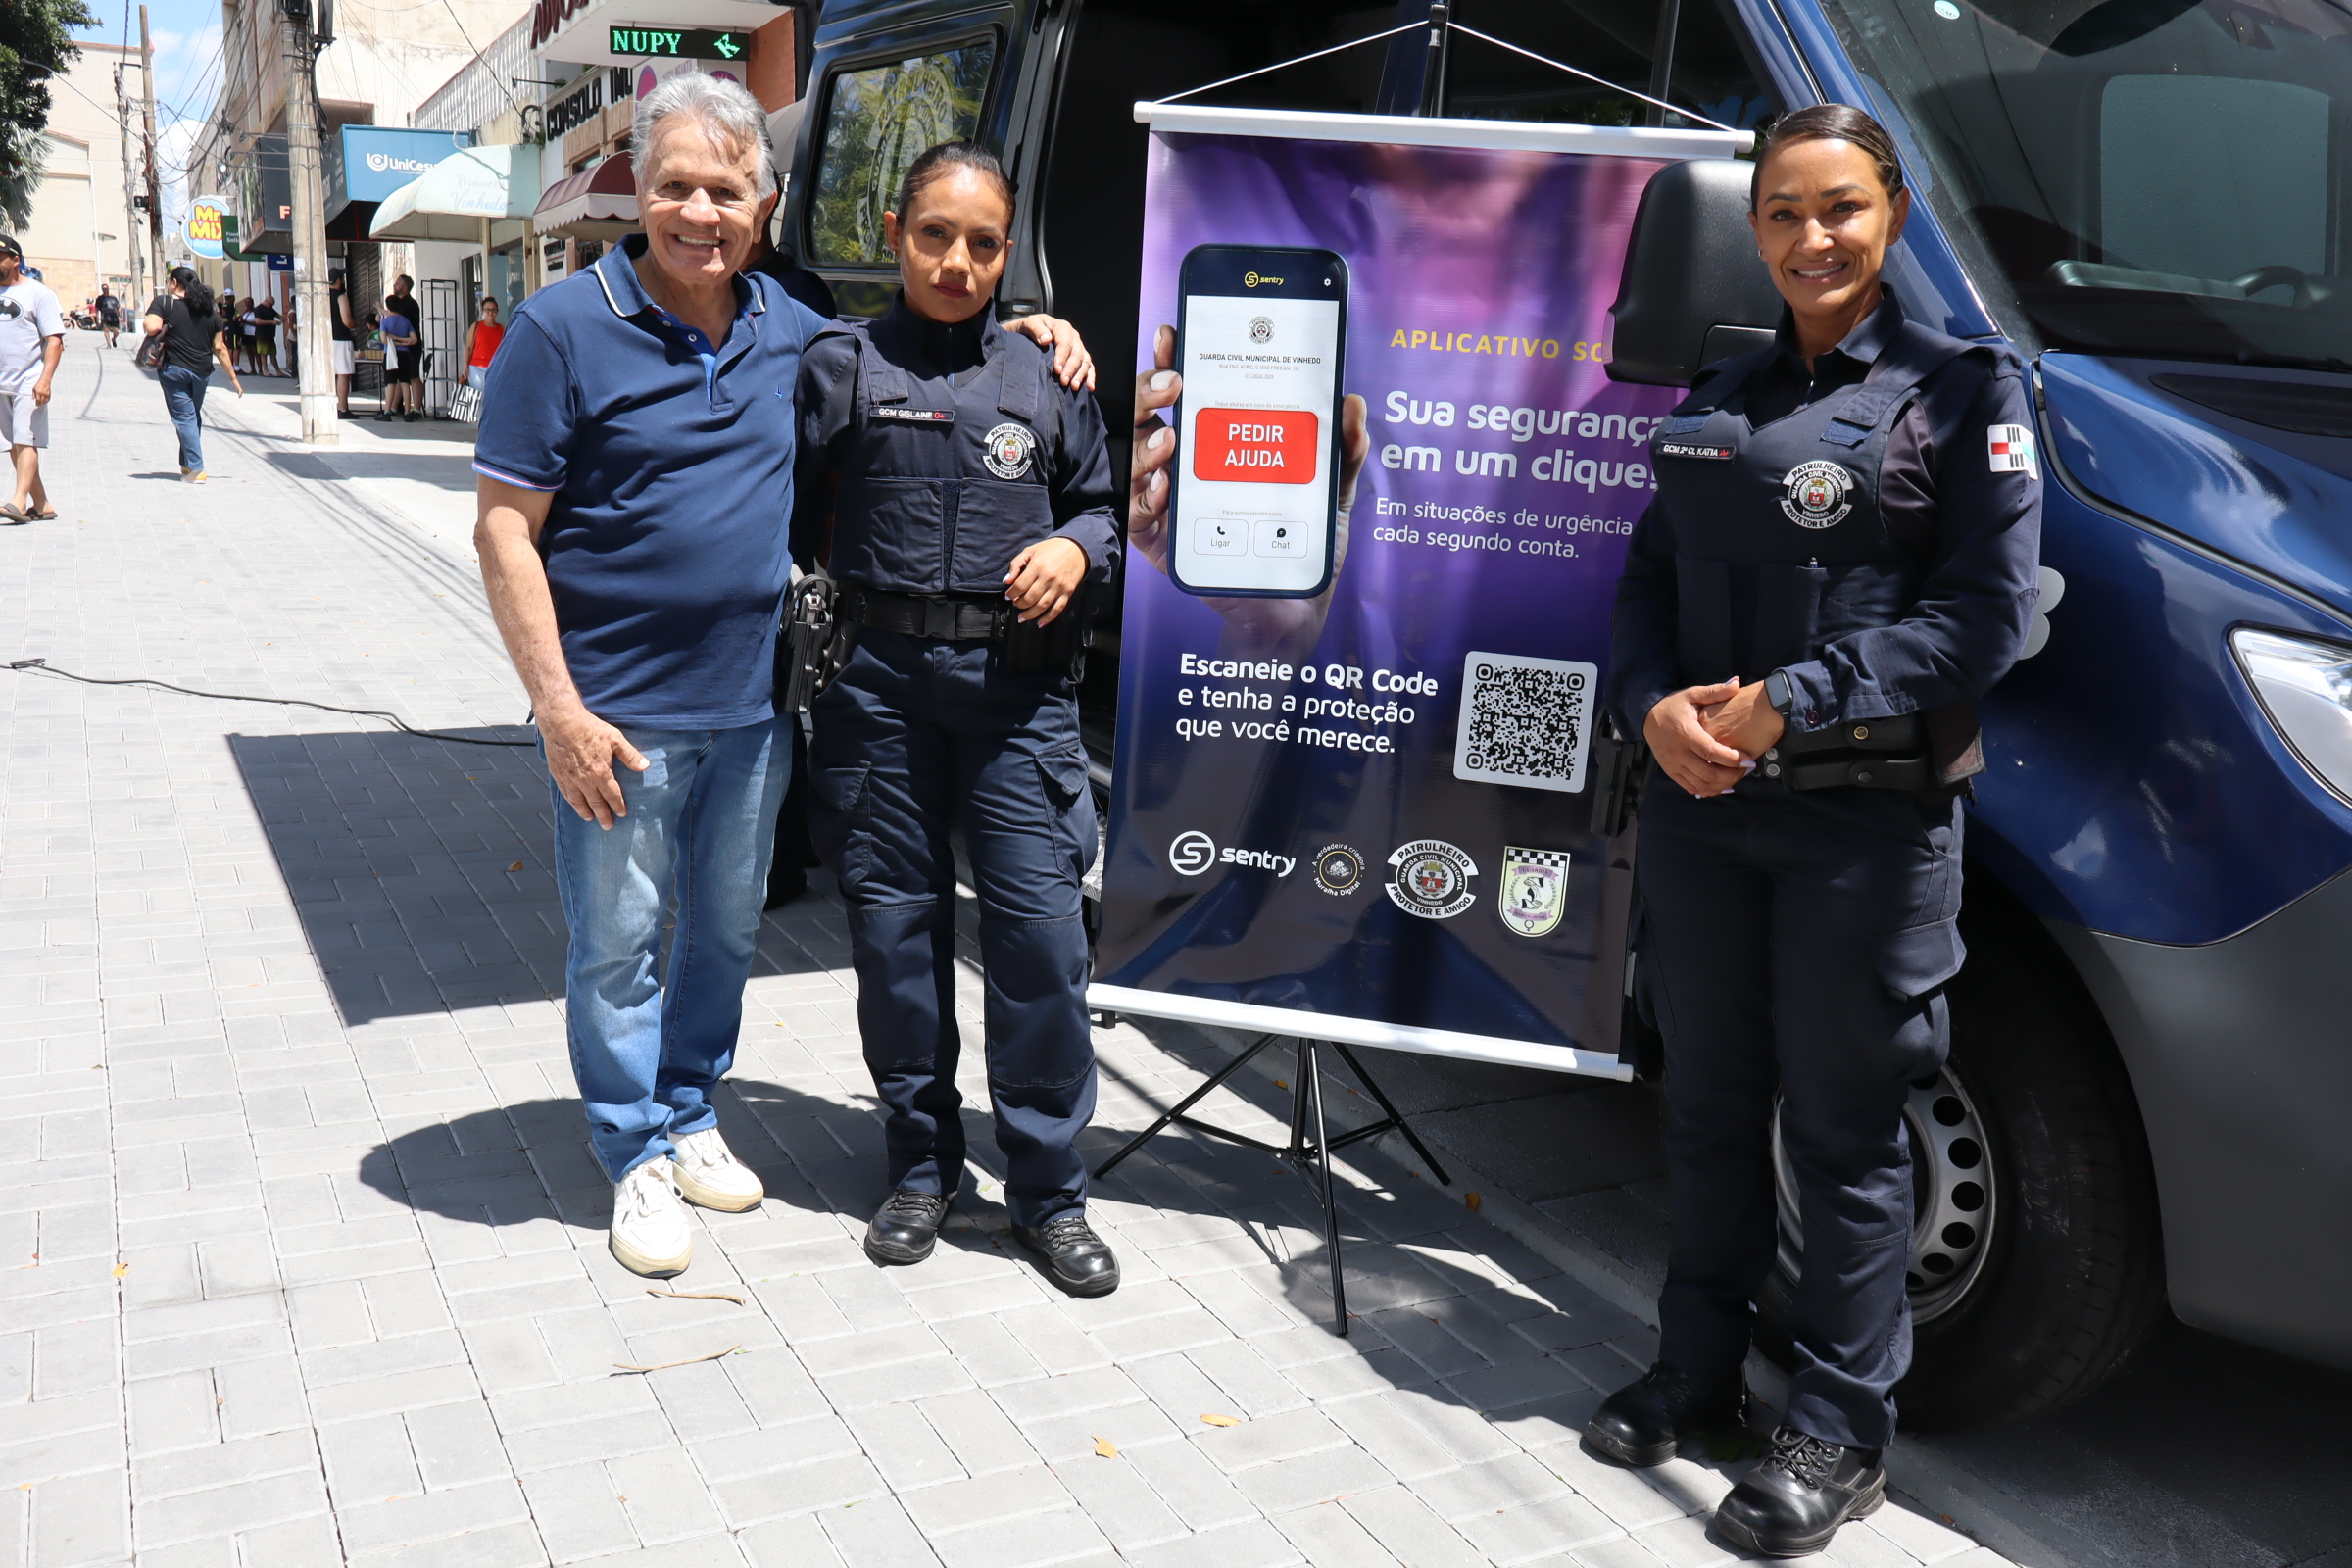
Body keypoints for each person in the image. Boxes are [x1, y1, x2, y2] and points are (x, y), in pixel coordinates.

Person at [472, 74, 1097, 1281]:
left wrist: (1037, 328)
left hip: (758, 704)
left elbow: (934, 341)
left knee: (718, 939)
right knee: (620, 941)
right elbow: (506, 526)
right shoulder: (562, 329)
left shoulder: (797, 331)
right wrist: (557, 710)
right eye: (675, 188)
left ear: (765, 203)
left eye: (725, 190)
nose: (700, 212)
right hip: (615, 709)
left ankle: (691, 1111)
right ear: (636, 195)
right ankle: (630, 1150)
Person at [1589, 105, 2041, 1558]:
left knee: (1845, 1138)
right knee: (1710, 1107)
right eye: (1782, 213)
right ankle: (1698, 1370)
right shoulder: (1719, 390)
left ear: (1893, 212)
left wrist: (1797, 701)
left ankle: (1839, 1437)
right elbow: (1646, 583)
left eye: (1838, 208)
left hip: (1866, 825)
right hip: (1709, 816)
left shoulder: (1962, 391)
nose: (1809, 239)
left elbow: (1990, 616)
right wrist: (1653, 706)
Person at [794, 142, 1122, 1296]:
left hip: (1018, 701)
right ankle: (923, 1168)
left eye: (983, 242)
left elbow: (1105, 507)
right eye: (936, 233)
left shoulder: (1047, 374)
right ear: (895, 232)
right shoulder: (838, 364)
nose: (957, 260)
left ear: (1006, 250)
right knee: (895, 940)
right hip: (878, 693)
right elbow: (783, 514)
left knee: (1039, 945)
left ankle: (1048, 1188)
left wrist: (1074, 550)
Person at [141, 265, 246, 484]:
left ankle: (197, 469)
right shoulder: (210, 311)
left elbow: (151, 327)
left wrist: (151, 318)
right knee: (191, 417)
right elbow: (220, 348)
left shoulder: (165, 303)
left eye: (169, 281)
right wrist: (232, 379)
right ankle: (187, 464)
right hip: (202, 373)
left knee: (185, 418)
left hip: (174, 371)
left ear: (175, 283)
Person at [0, 235, 66, 523]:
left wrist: (45, 380)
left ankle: (18, 501)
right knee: (14, 444)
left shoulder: (39, 294)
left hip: (29, 379)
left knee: (26, 439)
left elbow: (54, 341)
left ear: (15, 260)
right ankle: (42, 503)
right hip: (1, 382)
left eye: (1, 256)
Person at [378, 276, 421, 421]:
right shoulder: (402, 313)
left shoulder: (409, 304)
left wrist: (380, 310)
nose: (394, 285)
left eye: (397, 283)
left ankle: (414, 409)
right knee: (404, 381)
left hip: (408, 349)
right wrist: (402, 342)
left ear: (404, 287)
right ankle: (400, 408)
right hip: (405, 348)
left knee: (411, 377)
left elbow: (394, 318)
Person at [328, 270, 357, 417]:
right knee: (343, 374)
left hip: (326, 338)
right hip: (341, 338)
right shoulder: (341, 296)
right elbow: (347, 321)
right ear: (339, 281)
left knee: (330, 374)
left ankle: (329, 407)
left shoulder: (323, 297)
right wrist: (356, 325)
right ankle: (343, 408)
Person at [462, 295, 503, 389]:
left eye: (493, 310)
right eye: (487, 310)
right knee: (479, 398)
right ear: (483, 311)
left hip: (495, 368)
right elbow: (468, 347)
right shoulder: (476, 326)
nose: (490, 313)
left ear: (497, 312)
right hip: (476, 368)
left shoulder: (501, 328)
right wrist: (465, 367)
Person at [249, 294, 280, 376]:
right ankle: (265, 370)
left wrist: (282, 318)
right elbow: (258, 321)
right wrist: (271, 322)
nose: (271, 306)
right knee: (263, 353)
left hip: (270, 334)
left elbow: (278, 315)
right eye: (270, 304)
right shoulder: (258, 309)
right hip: (261, 334)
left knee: (273, 353)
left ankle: (278, 371)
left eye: (272, 305)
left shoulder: (270, 308)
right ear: (266, 301)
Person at [97, 285, 122, 349]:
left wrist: (120, 316)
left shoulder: (113, 298)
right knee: (106, 330)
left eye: (106, 288)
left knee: (116, 330)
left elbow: (118, 307)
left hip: (114, 316)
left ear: (108, 288)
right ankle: (108, 344)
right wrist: (97, 317)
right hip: (105, 316)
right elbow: (97, 309)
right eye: (104, 288)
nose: (105, 289)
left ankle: (113, 339)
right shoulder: (100, 298)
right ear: (102, 289)